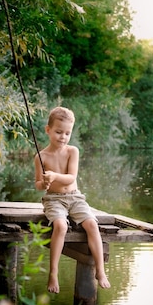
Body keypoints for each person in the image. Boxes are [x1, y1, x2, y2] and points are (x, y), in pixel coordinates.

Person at [34, 106, 111, 293]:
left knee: (92, 224)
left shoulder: (72, 151)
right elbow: (37, 183)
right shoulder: (41, 156)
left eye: (67, 133)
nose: (63, 137)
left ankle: (100, 270)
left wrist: (53, 176)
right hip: (53, 199)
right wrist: (43, 184)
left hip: (74, 197)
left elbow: (71, 177)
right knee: (60, 226)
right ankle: (53, 272)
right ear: (48, 130)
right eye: (59, 132)